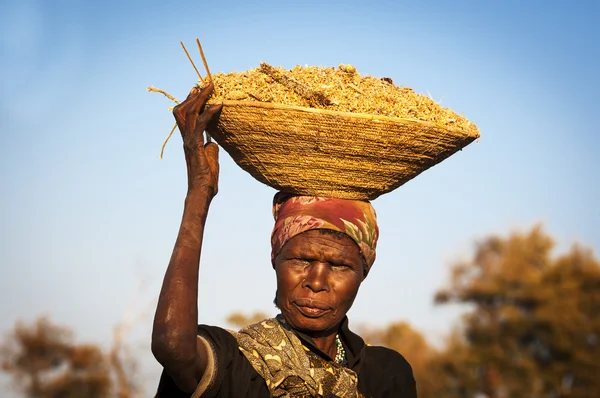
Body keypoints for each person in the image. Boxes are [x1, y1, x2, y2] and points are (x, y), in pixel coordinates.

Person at [152, 83, 417, 397]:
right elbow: (173, 348)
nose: (316, 282)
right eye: (302, 260)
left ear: (364, 272)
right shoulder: (236, 362)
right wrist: (199, 193)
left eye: (339, 266)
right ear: (274, 258)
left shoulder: (384, 374)